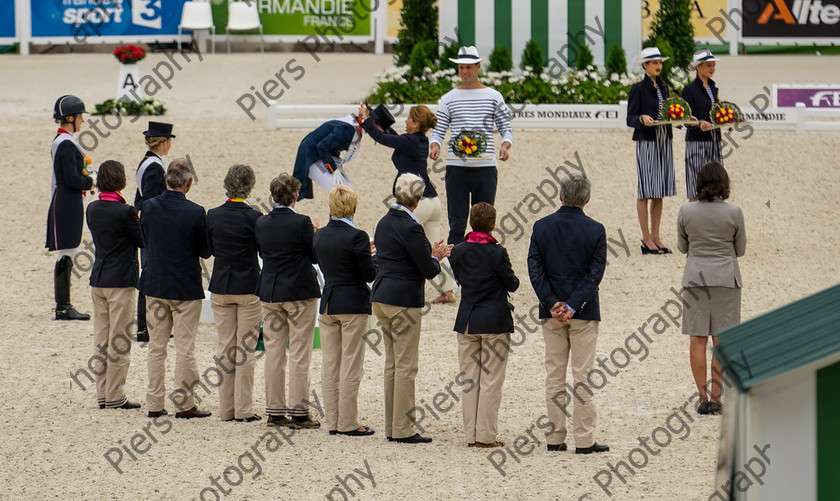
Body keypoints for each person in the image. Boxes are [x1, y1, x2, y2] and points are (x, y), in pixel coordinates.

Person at [528, 175, 609, 455]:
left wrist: (552, 303)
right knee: (583, 375)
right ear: (586, 199)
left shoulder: (541, 227)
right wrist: (572, 305)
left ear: (560, 196)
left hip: (551, 313)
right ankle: (584, 440)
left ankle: (554, 437)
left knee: (554, 374)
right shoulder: (596, 230)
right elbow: (595, 274)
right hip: (584, 311)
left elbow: (535, 270)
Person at [371, 173, 452, 444]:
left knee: (392, 364)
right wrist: (436, 256)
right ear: (417, 200)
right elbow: (428, 269)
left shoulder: (383, 222)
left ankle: (392, 426)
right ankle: (403, 429)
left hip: (381, 297)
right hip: (403, 300)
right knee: (406, 365)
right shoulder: (412, 227)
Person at [359, 103, 457, 304]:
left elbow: (382, 138)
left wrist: (365, 120)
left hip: (418, 203)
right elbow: (394, 137)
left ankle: (380, 275)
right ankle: (449, 291)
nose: (406, 120)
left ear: (416, 123)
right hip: (433, 203)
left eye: (410, 119)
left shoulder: (410, 141)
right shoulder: (419, 139)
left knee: (389, 233)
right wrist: (376, 119)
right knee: (437, 247)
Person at [138, 159, 212, 420]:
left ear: (166, 179)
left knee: (156, 347)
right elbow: (205, 251)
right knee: (184, 347)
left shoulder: (148, 206)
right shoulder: (195, 212)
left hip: (155, 284)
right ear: (189, 183)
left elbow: (144, 237)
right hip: (184, 287)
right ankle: (184, 403)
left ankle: (154, 403)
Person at [677, 162, 746, 415]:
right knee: (721, 340)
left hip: (695, 278)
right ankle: (717, 397)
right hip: (726, 279)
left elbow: (683, 248)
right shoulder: (734, 212)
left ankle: (702, 396)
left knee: (697, 339)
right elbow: (740, 250)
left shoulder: (686, 210)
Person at [449, 202, 519, 448]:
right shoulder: (497, 252)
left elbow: (459, 278)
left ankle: (470, 435)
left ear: (470, 222)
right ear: (493, 225)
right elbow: (511, 284)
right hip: (494, 320)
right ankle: (486, 436)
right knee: (491, 381)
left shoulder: (457, 251)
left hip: (467, 319)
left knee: (469, 380)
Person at [429, 46, 514, 246]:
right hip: (456, 167)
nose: (465, 72)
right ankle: (455, 269)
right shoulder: (448, 99)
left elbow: (506, 128)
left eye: (468, 67)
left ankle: (481, 265)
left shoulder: (494, 96)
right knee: (456, 224)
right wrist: (435, 144)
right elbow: (439, 129)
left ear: (478, 66)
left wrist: (505, 145)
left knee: (483, 223)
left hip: (485, 167)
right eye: (461, 68)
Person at [256, 173, 321, 429]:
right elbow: (314, 257)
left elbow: (263, 252)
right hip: (298, 292)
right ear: (295, 197)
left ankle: (274, 411)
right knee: (299, 353)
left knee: (274, 352)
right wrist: (314, 234)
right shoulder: (302, 222)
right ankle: (299, 411)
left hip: (271, 291)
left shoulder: (261, 223)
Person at [313, 185, 377, 437]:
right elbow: (369, 274)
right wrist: (374, 257)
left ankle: (333, 420)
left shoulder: (319, 236)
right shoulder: (358, 236)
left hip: (329, 302)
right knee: (351, 365)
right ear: (353, 208)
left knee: (331, 364)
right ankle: (348, 422)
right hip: (352, 304)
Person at [85, 160, 144, 410]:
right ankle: (115, 395)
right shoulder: (126, 211)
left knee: (101, 338)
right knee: (119, 338)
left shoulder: (93, 208)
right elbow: (141, 240)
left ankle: (102, 393)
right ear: (120, 180)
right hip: (120, 280)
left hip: (99, 278)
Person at [207, 164, 263, 423]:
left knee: (224, 347)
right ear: (249, 186)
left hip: (221, 285)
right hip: (248, 286)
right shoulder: (255, 217)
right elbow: (262, 251)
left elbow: (209, 249)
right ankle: (243, 409)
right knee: (245, 349)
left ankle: (225, 409)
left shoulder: (213, 215)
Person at [47, 95, 95, 320]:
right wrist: (94, 181)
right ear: (70, 118)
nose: (83, 121)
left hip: (69, 200)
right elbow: (73, 180)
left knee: (70, 251)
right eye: (80, 117)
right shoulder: (65, 144)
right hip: (67, 201)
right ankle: (63, 306)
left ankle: (63, 305)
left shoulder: (65, 140)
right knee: (67, 252)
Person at [627, 47, 675, 255]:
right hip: (647, 142)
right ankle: (646, 237)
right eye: (654, 63)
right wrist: (641, 119)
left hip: (664, 141)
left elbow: (669, 112)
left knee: (659, 191)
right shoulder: (638, 89)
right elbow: (630, 117)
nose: (658, 66)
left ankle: (656, 235)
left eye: (659, 62)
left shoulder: (664, 87)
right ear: (645, 65)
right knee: (646, 190)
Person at [134, 121, 176, 342]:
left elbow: (139, 199)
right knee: (150, 272)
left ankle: (146, 325)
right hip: (152, 228)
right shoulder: (154, 168)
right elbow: (150, 202)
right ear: (165, 142)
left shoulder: (147, 162)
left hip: (147, 224)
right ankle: (143, 326)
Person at [682, 49, 723, 201]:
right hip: (696, 141)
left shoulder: (714, 89)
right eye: (708, 65)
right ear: (698, 67)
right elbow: (685, 118)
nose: (712, 69)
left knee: (716, 183)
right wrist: (698, 124)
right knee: (695, 183)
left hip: (715, 141)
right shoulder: (689, 90)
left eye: (713, 65)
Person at [292, 115, 364, 200]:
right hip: (313, 156)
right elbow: (322, 147)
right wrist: (333, 169)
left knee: (347, 194)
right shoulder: (348, 129)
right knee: (342, 194)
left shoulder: (351, 126)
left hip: (320, 155)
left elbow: (332, 146)